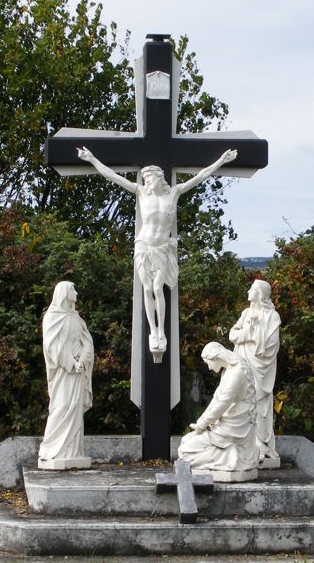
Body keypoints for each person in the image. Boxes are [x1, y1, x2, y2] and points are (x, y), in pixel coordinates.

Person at [77, 146, 237, 355]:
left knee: (158, 288)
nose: (147, 182)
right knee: (146, 288)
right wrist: (92, 159)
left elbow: (201, 176)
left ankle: (161, 331)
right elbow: (112, 176)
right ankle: (153, 331)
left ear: (160, 178)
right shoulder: (141, 192)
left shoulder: (175, 192)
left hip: (162, 247)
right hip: (144, 245)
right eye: (145, 179)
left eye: (150, 179)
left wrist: (221, 161)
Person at [178, 342, 260, 480]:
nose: (209, 367)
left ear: (216, 357)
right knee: (185, 442)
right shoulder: (229, 370)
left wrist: (203, 423)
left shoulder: (238, 371)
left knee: (185, 451)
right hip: (227, 421)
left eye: (208, 362)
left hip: (235, 425)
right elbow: (217, 399)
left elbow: (223, 402)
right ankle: (228, 453)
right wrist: (201, 423)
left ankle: (230, 456)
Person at [38, 281, 94, 469]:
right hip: (64, 372)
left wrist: (83, 361)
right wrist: (72, 363)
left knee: (75, 410)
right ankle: (51, 450)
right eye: (73, 289)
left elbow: (87, 341)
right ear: (64, 293)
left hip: (78, 372)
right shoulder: (52, 317)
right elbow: (52, 346)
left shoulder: (77, 319)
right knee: (61, 407)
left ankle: (73, 452)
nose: (76, 293)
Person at [229, 280, 281, 464]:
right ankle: (243, 443)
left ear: (260, 294)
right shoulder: (246, 313)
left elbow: (272, 345)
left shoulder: (273, 317)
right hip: (243, 363)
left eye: (252, 289)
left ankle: (261, 444)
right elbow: (232, 335)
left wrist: (253, 338)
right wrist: (249, 334)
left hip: (261, 368)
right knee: (242, 401)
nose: (248, 291)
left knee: (260, 405)